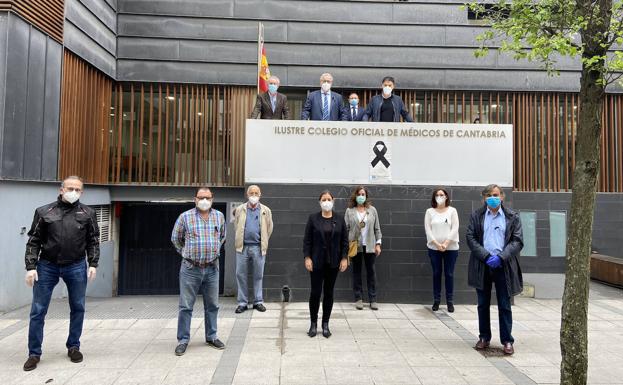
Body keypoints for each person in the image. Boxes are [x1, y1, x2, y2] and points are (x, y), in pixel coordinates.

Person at [23, 176, 100, 371]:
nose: (73, 192)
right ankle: (34, 353)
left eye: (77, 189)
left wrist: (93, 263)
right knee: (38, 310)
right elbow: (34, 241)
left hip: (76, 265)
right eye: (70, 188)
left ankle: (74, 346)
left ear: (81, 192)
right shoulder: (44, 212)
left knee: (78, 307)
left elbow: (93, 240)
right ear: (61, 189)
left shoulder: (88, 213)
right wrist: (31, 267)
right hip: (47, 265)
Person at [466, 184, 523, 355]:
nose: (493, 197)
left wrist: (501, 257)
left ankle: (507, 340)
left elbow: (517, 241)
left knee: (504, 305)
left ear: (502, 196)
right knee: (482, 304)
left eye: (496, 194)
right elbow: (470, 237)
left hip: (503, 265)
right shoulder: (477, 216)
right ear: (484, 197)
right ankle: (484, 337)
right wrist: (485, 256)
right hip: (482, 265)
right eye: (489, 195)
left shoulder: (512, 216)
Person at [171, 187, 226, 356]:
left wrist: (213, 251)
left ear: (212, 199)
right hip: (190, 268)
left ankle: (211, 336)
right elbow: (176, 239)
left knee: (213, 305)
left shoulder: (219, 216)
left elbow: (222, 237)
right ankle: (183, 340)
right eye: (201, 197)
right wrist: (187, 254)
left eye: (207, 197)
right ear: (195, 199)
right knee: (186, 306)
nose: (204, 200)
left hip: (212, 268)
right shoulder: (185, 217)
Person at [303, 190, 348, 338]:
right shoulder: (313, 219)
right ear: (320, 202)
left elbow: (344, 242)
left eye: (329, 199)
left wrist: (344, 258)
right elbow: (307, 240)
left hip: (333, 262)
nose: (326, 202)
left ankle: (326, 324)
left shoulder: (340, 219)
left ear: (333, 201)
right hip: (316, 262)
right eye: (324, 199)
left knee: (329, 293)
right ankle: (313, 324)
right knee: (315, 293)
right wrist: (307, 258)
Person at [234, 185, 274, 314]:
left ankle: (258, 302)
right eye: (252, 193)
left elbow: (269, 228)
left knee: (258, 275)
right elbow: (236, 227)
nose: (254, 195)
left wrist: (263, 241)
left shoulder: (266, 210)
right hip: (242, 248)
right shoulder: (240, 209)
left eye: (256, 193)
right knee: (241, 275)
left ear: (260, 195)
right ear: (247, 194)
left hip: (258, 248)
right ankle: (242, 303)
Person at [345, 186, 382, 310]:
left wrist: (378, 244)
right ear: (355, 196)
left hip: (370, 246)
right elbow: (346, 229)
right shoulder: (349, 211)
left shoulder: (372, 210)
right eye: (359, 194)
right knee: (357, 272)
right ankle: (358, 298)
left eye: (363, 194)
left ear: (366, 196)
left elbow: (377, 228)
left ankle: (373, 299)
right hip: (355, 246)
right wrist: (346, 245)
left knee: (371, 272)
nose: (361, 196)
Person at [424, 188, 459, 313]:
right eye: (437, 195)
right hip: (434, 248)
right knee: (436, 274)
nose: (439, 196)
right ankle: (436, 301)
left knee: (449, 274)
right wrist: (437, 244)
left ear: (446, 197)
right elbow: (428, 229)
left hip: (451, 248)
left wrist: (446, 243)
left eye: (442, 195)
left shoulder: (452, 211)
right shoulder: (429, 212)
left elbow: (455, 228)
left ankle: (450, 302)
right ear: (434, 197)